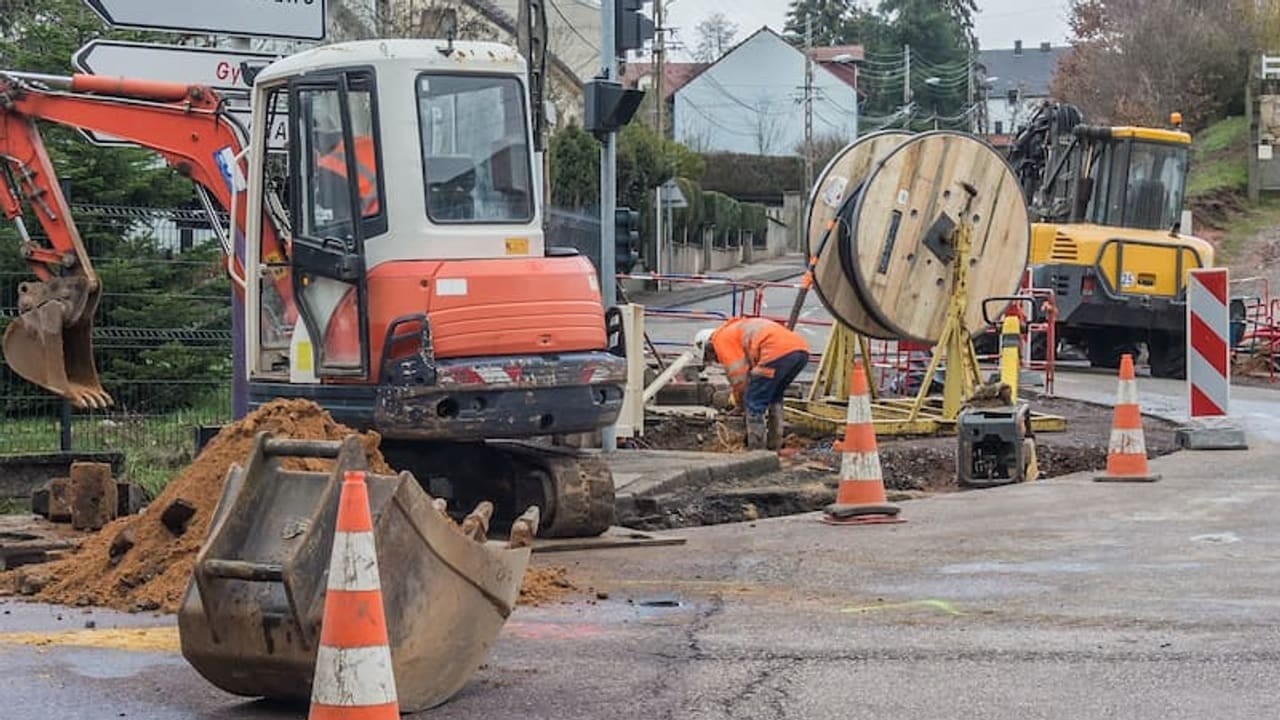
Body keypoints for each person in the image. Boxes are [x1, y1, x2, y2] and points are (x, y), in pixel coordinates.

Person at [694, 318, 810, 450]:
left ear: (708, 346)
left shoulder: (720, 340)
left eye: (711, 357)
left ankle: (757, 450)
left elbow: (739, 380)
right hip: (800, 351)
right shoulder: (734, 331)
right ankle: (775, 444)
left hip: (775, 352)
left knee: (754, 401)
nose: (716, 360)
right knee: (774, 397)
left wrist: (741, 404)